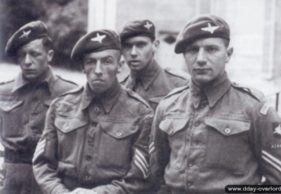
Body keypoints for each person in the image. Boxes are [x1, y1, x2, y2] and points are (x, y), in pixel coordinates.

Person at [150, 15, 281, 194]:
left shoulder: (254, 108)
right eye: (192, 50)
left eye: (211, 49)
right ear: (184, 56)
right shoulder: (167, 106)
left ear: (228, 54)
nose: (200, 58)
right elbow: (156, 174)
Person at [32, 29, 153, 194]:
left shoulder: (140, 112)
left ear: (120, 65)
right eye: (90, 62)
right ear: (82, 66)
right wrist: (59, 192)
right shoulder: (60, 106)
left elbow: (139, 178)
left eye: (107, 61)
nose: (98, 69)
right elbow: (43, 163)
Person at [0, 20, 77, 194]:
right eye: (22, 55)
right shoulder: (3, 92)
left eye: (35, 54)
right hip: (12, 183)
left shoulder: (70, 93)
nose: (27, 61)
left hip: (52, 181)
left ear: (49, 55)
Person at [120, 19, 188, 110]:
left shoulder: (180, 85)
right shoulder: (119, 88)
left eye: (140, 45)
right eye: (127, 46)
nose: (133, 53)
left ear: (155, 45)